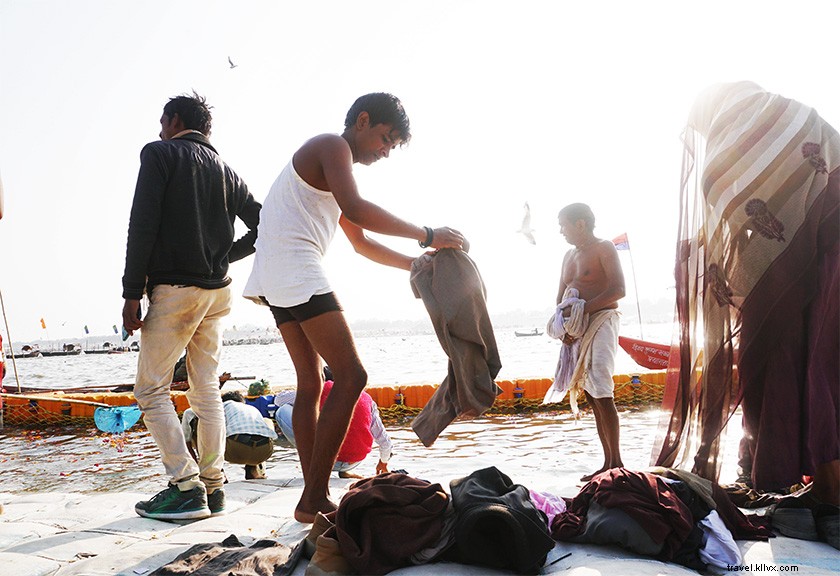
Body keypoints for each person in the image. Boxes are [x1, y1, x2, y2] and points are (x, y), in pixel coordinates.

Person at [243, 92, 466, 522]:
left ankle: (312, 497)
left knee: (310, 383)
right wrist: (428, 234)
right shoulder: (332, 146)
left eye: (393, 146)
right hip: (294, 267)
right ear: (362, 121)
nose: (386, 151)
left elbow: (360, 242)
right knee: (352, 376)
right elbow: (358, 210)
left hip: (273, 274)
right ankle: (313, 496)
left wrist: (415, 264)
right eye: (386, 139)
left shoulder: (333, 169)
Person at [651, 81, 838, 547]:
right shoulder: (801, 117)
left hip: (803, 266)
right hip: (829, 247)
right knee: (827, 364)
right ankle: (822, 485)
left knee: (802, 367)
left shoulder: (727, 146)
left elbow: (732, 232)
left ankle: (830, 492)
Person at [122, 92, 261, 521]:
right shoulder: (227, 171)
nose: (160, 129)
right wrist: (223, 258)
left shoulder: (159, 154)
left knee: (150, 390)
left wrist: (131, 291)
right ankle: (214, 486)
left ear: (175, 119)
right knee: (205, 389)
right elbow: (264, 223)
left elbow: (142, 224)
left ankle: (185, 486)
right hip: (217, 291)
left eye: (163, 121)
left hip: (176, 289)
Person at [552, 203, 626, 482]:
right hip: (577, 328)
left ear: (580, 224)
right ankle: (607, 462)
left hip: (602, 320)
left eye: (564, 225)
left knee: (602, 388)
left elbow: (618, 290)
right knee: (590, 392)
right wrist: (565, 326)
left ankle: (617, 463)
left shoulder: (604, 248)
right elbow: (560, 297)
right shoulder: (567, 256)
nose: (561, 231)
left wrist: (582, 312)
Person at [274, 367, 393, 478]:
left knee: (282, 411)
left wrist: (304, 392)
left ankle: (311, 466)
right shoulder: (366, 398)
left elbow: (279, 400)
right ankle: (345, 472)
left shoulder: (319, 390)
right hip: (354, 462)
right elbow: (385, 441)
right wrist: (383, 462)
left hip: (325, 460)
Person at [182, 390, 278, 482]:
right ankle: (253, 471)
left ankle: (215, 474)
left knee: (202, 420)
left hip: (235, 450)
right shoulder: (252, 409)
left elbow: (188, 415)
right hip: (264, 453)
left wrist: (195, 469)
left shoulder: (220, 407)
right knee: (266, 422)